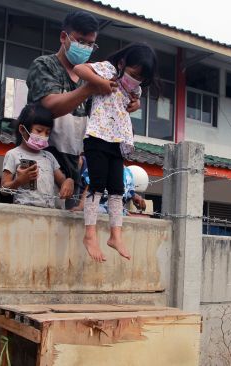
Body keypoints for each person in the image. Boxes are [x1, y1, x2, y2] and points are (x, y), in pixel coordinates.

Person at [26, 10, 140, 209]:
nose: (85, 48)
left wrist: (130, 104)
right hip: (40, 166)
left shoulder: (94, 75)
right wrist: (91, 88)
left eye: (90, 44)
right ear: (64, 37)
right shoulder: (45, 66)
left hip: (76, 171)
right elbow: (49, 107)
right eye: (81, 41)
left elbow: (106, 119)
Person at [72, 43, 159, 262]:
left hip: (117, 140)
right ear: (122, 63)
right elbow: (80, 69)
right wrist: (100, 82)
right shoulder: (109, 70)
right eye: (133, 74)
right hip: (97, 136)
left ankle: (115, 235)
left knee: (117, 189)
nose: (135, 81)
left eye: (141, 78)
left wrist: (137, 104)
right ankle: (90, 234)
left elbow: (135, 100)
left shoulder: (134, 89)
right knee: (97, 184)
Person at [1, 103, 74, 209]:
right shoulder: (13, 154)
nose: (43, 136)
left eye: (47, 133)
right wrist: (19, 181)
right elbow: (4, 189)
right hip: (24, 213)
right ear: (22, 129)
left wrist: (69, 181)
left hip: (48, 214)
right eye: (39, 131)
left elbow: (62, 180)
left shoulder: (49, 157)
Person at [73, 160, 149, 215]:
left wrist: (136, 197)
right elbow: (89, 188)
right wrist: (81, 207)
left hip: (118, 214)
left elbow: (129, 192)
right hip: (99, 212)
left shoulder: (128, 172)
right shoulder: (98, 165)